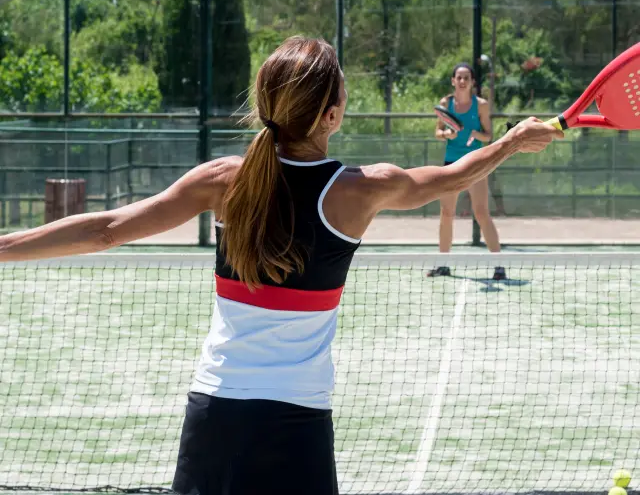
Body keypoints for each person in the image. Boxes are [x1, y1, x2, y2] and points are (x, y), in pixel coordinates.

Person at [0, 37, 561, 495]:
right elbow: (456, 177)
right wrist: (512, 140)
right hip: (296, 427)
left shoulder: (223, 179)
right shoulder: (359, 191)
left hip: (213, 419)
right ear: (334, 114)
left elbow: (105, 230)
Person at [431, 61, 504, 280]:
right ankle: (444, 264)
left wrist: (473, 132)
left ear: (472, 82)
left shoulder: (480, 105)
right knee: (446, 213)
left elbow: (488, 135)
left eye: (466, 78)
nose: (462, 81)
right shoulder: (446, 102)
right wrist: (448, 135)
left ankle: (499, 266)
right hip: (451, 165)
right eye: (458, 78)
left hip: (475, 164)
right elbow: (438, 132)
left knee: (481, 213)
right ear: (453, 81)